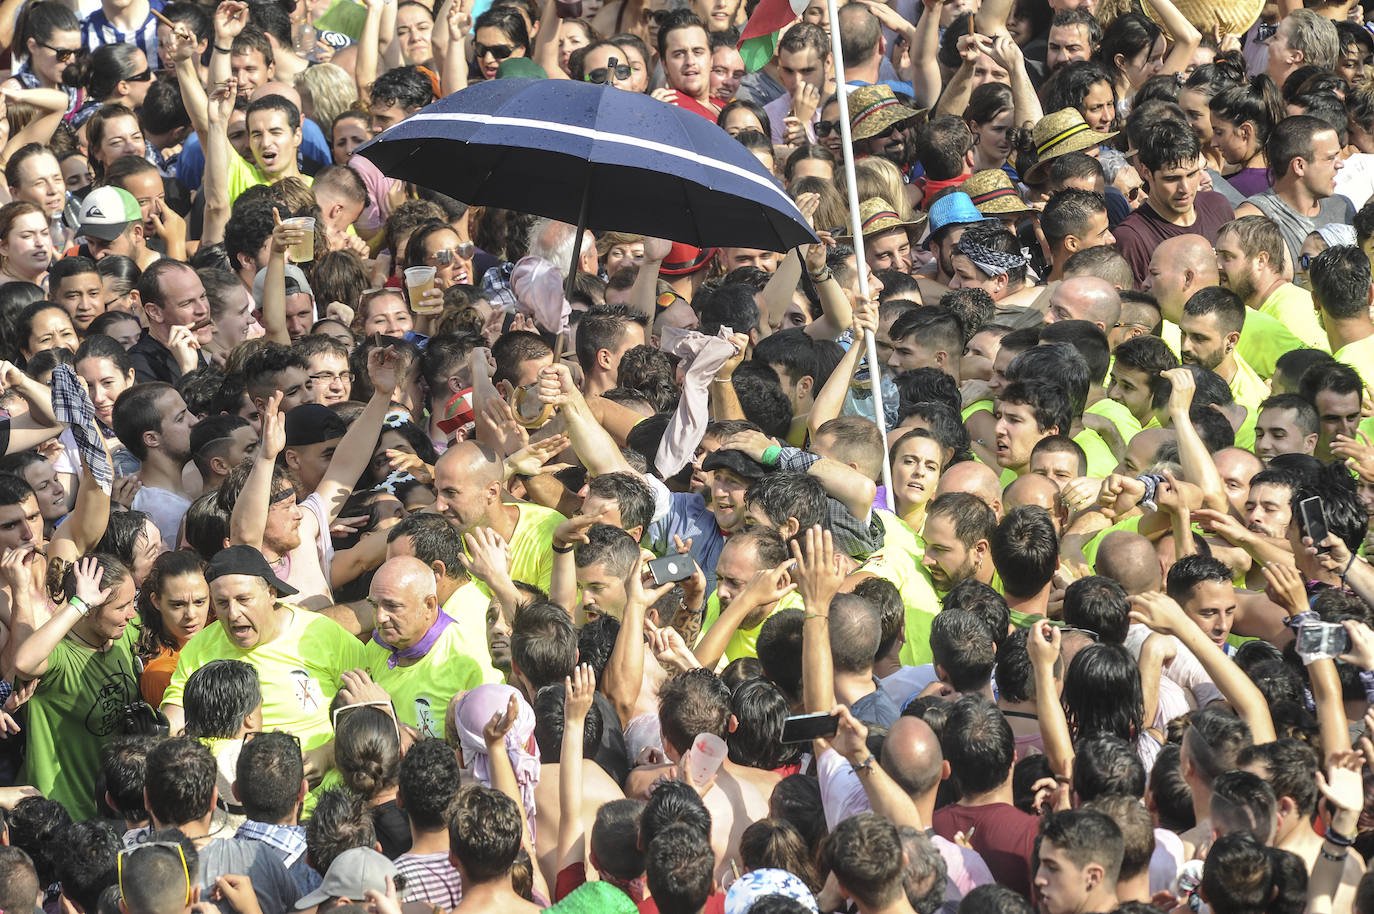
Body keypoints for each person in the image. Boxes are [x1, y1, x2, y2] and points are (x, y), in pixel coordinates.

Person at [160, 545, 368, 770]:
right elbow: (176, 713)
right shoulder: (200, 647)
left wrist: (328, 755)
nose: (233, 613)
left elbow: (371, 715)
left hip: (318, 796)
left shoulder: (322, 635)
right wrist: (164, 730)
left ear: (271, 593)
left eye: (244, 599)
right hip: (230, 794)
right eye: (222, 603)